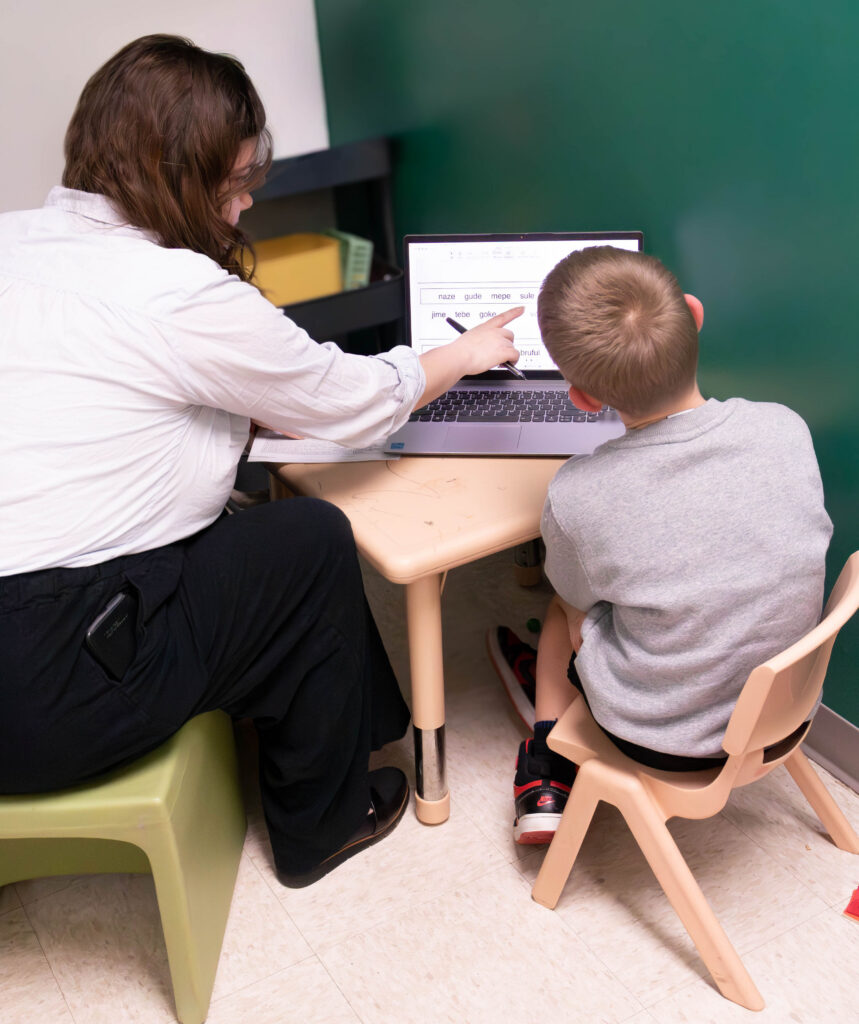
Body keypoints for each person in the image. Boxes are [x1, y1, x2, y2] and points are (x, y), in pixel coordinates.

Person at [0, 34, 523, 887]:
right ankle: (323, 822)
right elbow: (348, 396)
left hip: (25, 639)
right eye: (233, 185)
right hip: (42, 688)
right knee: (306, 540)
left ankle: (360, 719)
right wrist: (461, 355)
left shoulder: (12, 241)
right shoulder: (176, 291)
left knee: (249, 530)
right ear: (172, 176)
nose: (243, 208)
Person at [487, 245, 832, 845]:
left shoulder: (578, 494)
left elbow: (577, 601)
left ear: (585, 398)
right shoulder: (786, 426)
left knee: (565, 606)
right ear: (695, 316)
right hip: (786, 711)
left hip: (662, 740)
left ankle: (547, 756)